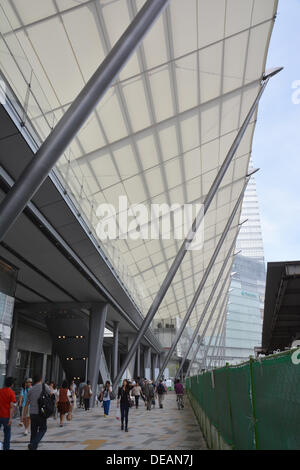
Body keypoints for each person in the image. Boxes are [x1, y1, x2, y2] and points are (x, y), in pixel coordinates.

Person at [23, 374, 52, 450]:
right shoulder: (44, 386)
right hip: (41, 412)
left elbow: (26, 404)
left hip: (32, 413)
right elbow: (51, 394)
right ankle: (33, 444)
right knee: (43, 429)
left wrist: (23, 415)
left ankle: (32, 446)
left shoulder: (30, 390)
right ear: (40, 379)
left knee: (33, 431)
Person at [0, 376, 16, 450]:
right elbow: (12, 406)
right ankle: (6, 448)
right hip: (6, 416)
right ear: (12, 384)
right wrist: (10, 418)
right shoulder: (11, 393)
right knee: (7, 434)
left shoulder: (0, 391)